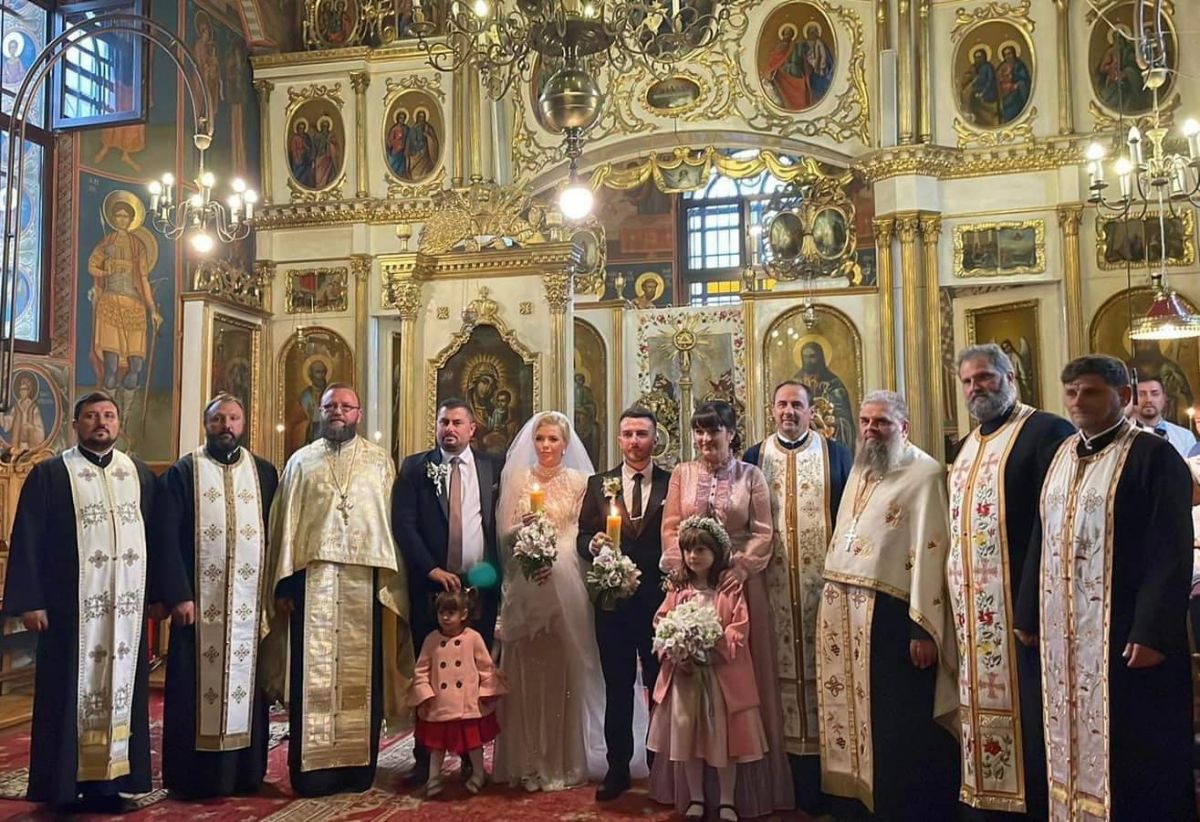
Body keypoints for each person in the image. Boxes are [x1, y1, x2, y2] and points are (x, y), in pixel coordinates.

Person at [1015, 355, 1194, 820]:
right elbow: (1041, 534)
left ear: (1124, 396)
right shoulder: (1060, 455)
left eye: (1090, 391)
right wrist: (1027, 612)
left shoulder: (1154, 457)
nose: (1078, 401)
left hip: (1125, 632)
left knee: (1133, 746)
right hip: (1064, 634)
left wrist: (1152, 631)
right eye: (1071, 391)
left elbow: (1171, 550)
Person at [1, 392, 192, 811]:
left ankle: (112, 785)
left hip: (126, 613)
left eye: (108, 415)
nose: (100, 422)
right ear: (76, 425)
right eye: (91, 416)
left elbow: (159, 538)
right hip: (70, 611)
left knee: (123, 694)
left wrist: (161, 595)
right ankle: (62, 789)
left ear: (119, 424)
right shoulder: (52, 474)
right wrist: (31, 602)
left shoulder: (138, 474)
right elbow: (28, 538)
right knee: (66, 694)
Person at [261, 382, 413, 796]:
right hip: (313, 583)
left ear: (358, 414)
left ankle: (356, 769)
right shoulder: (301, 462)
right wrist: (286, 583)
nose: (338, 412)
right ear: (320, 411)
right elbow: (286, 525)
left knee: (361, 677)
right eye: (331, 406)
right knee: (312, 677)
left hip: (365, 583)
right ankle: (311, 772)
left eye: (346, 406)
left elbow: (390, 523)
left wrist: (390, 581)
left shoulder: (379, 462)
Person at [816, 390, 959, 820]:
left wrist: (923, 628)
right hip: (848, 612)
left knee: (892, 720)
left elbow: (933, 551)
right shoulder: (862, 468)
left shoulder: (925, 474)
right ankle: (853, 803)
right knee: (851, 714)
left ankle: (898, 808)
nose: (870, 430)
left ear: (904, 427)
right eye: (865, 421)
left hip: (894, 615)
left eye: (881, 422)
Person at [948, 345, 1074, 820]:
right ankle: (985, 805)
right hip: (974, 617)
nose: (975, 388)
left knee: (1033, 719)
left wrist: (1030, 610)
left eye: (984, 377)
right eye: (967, 381)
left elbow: (1053, 525)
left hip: (1024, 614)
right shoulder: (965, 446)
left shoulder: (1046, 432)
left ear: (1010, 376)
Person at [653, 401, 794, 817]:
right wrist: (678, 568)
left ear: (731, 434)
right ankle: (695, 793)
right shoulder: (682, 474)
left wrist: (743, 566)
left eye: (713, 431)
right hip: (690, 582)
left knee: (735, 682)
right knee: (689, 687)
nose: (705, 439)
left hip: (736, 585)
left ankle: (739, 792)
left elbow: (764, 531)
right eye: (698, 431)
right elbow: (671, 526)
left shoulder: (751, 476)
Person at [155, 395, 280, 798]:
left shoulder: (263, 473)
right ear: (206, 424)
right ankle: (193, 778)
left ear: (244, 424)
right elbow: (166, 538)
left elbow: (278, 534)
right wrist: (179, 594)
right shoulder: (184, 472)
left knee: (249, 689)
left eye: (234, 418)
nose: (226, 426)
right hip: (198, 608)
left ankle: (245, 773)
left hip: (249, 607)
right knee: (193, 691)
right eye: (218, 419)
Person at [741, 380, 852, 812]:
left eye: (797, 405)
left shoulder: (836, 455)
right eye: (782, 404)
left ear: (811, 409)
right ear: (772, 410)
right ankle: (780, 780)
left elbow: (850, 516)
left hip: (823, 591)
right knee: (774, 676)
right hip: (769, 592)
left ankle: (829, 783)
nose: (788, 411)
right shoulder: (754, 457)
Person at [493, 411, 607, 791]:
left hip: (565, 586)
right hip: (526, 583)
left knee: (563, 672)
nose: (545, 445)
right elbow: (504, 533)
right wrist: (525, 538)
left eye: (553, 439)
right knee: (526, 673)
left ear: (565, 444)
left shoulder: (578, 482)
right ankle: (525, 761)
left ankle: (561, 762)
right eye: (540, 439)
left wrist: (552, 557)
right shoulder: (518, 479)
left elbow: (579, 532)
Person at [394, 398, 504, 786]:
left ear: (472, 429)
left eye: (457, 422)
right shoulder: (415, 468)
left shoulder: (493, 467)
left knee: (474, 674)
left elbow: (496, 523)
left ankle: (473, 760)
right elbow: (404, 524)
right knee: (430, 674)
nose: (449, 429)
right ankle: (424, 759)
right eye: (444, 422)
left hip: (480, 588)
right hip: (432, 587)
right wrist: (431, 568)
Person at [577, 407, 669, 801]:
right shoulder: (599, 484)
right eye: (628, 434)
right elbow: (582, 535)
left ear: (655, 439)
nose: (634, 441)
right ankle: (618, 768)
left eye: (642, 434)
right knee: (617, 686)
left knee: (659, 685)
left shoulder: (672, 482)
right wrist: (593, 544)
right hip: (612, 603)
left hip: (657, 603)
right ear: (619, 439)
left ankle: (660, 766)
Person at [649, 516, 767, 822]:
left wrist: (716, 647)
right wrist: (677, 648)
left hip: (720, 678)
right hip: (686, 677)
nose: (693, 556)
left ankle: (727, 800)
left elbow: (739, 627)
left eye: (701, 550)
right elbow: (662, 621)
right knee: (688, 738)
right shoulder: (678, 589)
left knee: (723, 740)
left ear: (716, 552)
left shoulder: (728, 590)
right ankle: (696, 798)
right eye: (688, 550)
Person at [409, 589, 507, 797]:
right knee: (437, 744)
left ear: (463, 614)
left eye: (451, 612)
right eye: (442, 612)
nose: (445, 617)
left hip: (468, 703)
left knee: (473, 742)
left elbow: (486, 667)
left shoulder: (473, 638)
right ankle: (434, 777)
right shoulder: (431, 640)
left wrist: (487, 691)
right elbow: (421, 670)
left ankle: (478, 773)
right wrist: (424, 694)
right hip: (439, 702)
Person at [1129, 376, 1195, 457]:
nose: (1149, 400)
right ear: (1131, 398)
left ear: (1164, 397)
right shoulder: (1121, 435)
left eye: (1155, 394)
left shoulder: (1185, 437)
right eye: (1141, 394)